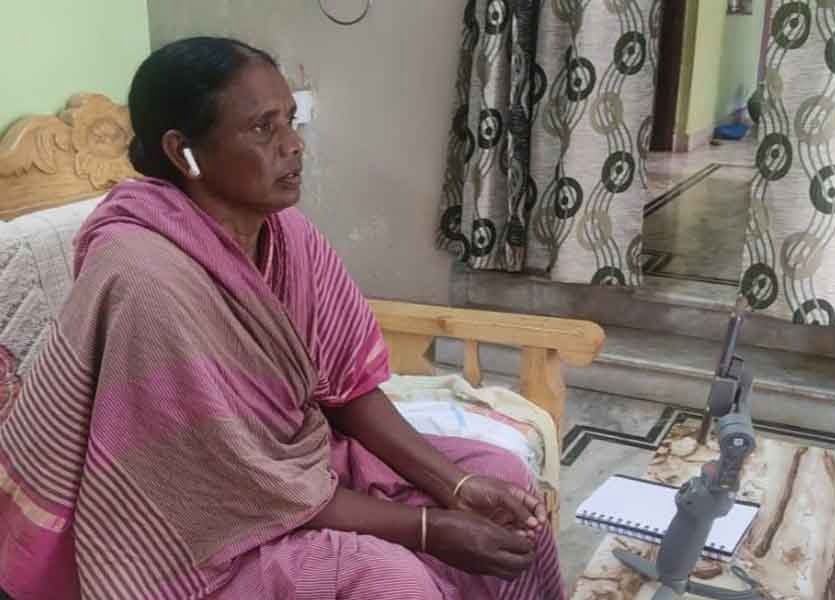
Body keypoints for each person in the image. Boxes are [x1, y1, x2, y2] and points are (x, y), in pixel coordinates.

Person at [0, 37, 564, 600]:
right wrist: (426, 528)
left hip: (297, 468)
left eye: (290, 121)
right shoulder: (143, 278)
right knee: (392, 583)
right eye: (262, 128)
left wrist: (457, 486)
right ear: (182, 151)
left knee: (505, 487)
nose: (293, 145)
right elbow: (237, 487)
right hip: (200, 529)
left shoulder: (286, 233)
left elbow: (346, 388)